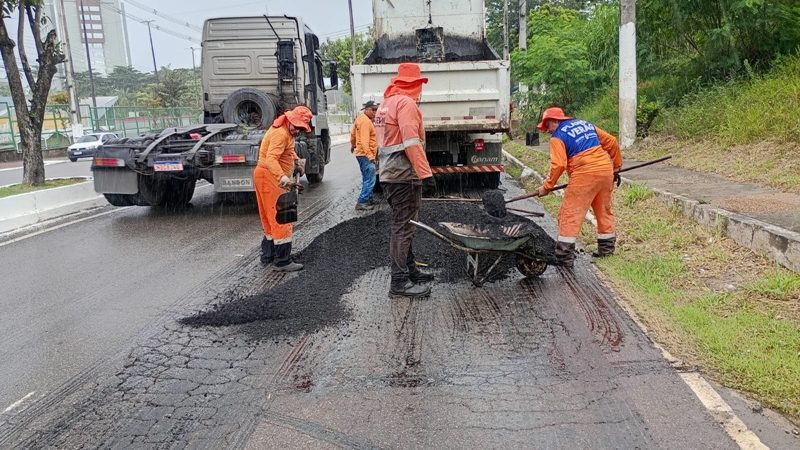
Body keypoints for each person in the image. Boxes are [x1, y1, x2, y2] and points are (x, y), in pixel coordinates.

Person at [375, 63, 435, 297]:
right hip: (403, 176)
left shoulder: (386, 103)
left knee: (405, 226)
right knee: (403, 228)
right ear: (416, 85)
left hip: (390, 175)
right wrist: (426, 174)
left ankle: (410, 271)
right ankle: (399, 283)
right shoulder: (406, 104)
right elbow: (411, 142)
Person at [535, 107, 622, 268]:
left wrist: (547, 187)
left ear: (554, 121)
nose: (547, 131)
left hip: (584, 174)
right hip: (605, 170)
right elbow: (612, 142)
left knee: (570, 213)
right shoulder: (586, 124)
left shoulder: (557, 137)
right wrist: (616, 168)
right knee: (603, 210)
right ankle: (606, 249)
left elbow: (559, 164)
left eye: (547, 126)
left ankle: (564, 255)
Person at [253, 105, 313, 272]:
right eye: (297, 127)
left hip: (264, 176)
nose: (298, 131)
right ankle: (283, 261)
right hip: (270, 177)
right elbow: (272, 159)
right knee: (282, 216)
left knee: (270, 216)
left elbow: (287, 151)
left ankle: (269, 255)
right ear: (290, 120)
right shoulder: (280, 134)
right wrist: (283, 178)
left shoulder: (284, 129)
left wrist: (296, 161)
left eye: (301, 128)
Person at [350, 100, 379, 210]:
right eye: (373, 110)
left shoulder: (360, 119)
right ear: (366, 109)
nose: (375, 112)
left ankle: (369, 199)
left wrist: (353, 145)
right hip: (365, 155)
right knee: (370, 178)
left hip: (361, 154)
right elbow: (364, 141)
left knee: (367, 177)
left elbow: (353, 134)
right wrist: (370, 156)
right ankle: (362, 202)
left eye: (376, 110)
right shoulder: (366, 122)